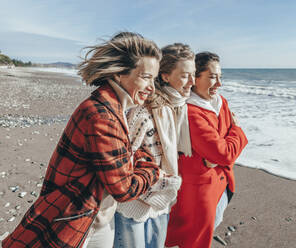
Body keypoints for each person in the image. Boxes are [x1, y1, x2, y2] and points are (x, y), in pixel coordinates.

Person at [2, 32, 162, 248]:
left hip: (94, 216)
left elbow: (123, 155)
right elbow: (123, 189)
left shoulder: (116, 107)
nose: (152, 87)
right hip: (75, 219)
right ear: (118, 74)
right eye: (146, 77)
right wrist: (151, 169)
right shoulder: (102, 115)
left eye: (154, 78)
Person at [114, 43, 195, 248]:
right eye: (185, 75)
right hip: (134, 204)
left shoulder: (178, 108)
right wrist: (157, 186)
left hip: (161, 202)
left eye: (193, 75)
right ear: (165, 76)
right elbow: (123, 162)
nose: (192, 83)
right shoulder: (143, 111)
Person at [165, 52, 248, 248]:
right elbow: (224, 153)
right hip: (201, 190)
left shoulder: (221, 102)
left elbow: (224, 154)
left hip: (223, 183)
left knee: (212, 225)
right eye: (212, 77)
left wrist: (220, 154)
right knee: (194, 240)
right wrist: (237, 130)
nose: (219, 83)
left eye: (220, 76)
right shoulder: (191, 112)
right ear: (195, 78)